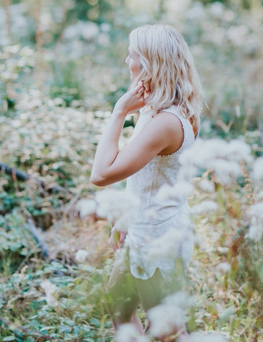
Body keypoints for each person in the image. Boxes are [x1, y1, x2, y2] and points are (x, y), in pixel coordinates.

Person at [91, 24, 203, 341]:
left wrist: (118, 112)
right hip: (144, 226)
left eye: (133, 55)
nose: (127, 61)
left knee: (167, 332)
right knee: (117, 302)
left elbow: (100, 174)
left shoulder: (166, 121)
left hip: (159, 239)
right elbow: (147, 175)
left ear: (151, 63)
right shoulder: (155, 108)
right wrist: (127, 216)